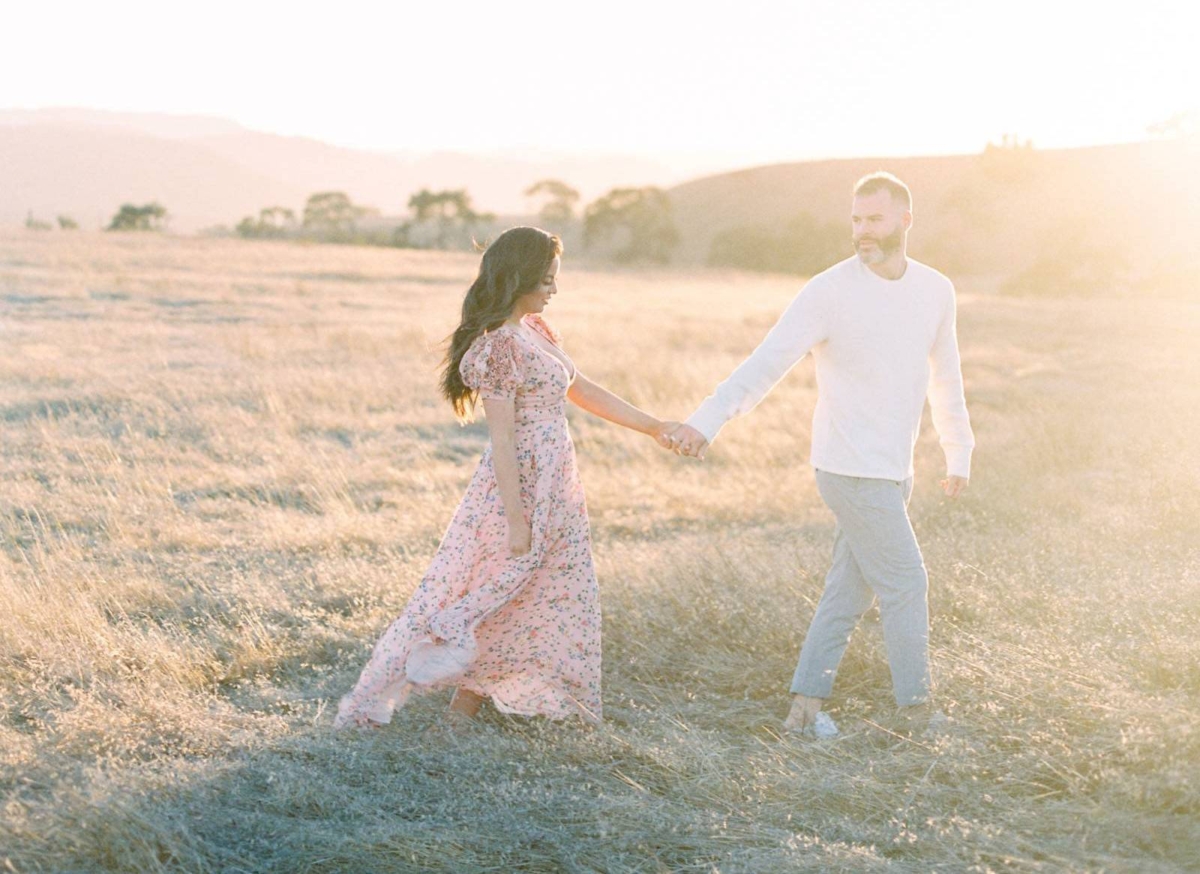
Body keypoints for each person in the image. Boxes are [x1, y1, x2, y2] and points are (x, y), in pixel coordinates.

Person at [665, 173, 974, 737]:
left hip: (894, 469)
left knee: (846, 592)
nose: (861, 230)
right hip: (848, 467)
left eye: (873, 219)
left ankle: (803, 712)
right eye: (855, 219)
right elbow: (766, 362)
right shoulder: (828, 290)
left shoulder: (935, 290)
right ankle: (919, 715)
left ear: (905, 220)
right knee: (908, 582)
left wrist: (959, 450)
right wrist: (706, 422)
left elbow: (945, 375)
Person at [334, 226, 677, 730]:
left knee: (548, 593)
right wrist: (517, 521)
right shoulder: (499, 346)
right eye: (546, 280)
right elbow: (502, 442)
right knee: (494, 589)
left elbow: (582, 390)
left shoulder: (535, 331)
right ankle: (424, 702)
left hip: (556, 484)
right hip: (517, 491)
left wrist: (653, 427)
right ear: (518, 278)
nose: (553, 290)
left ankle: (485, 714)